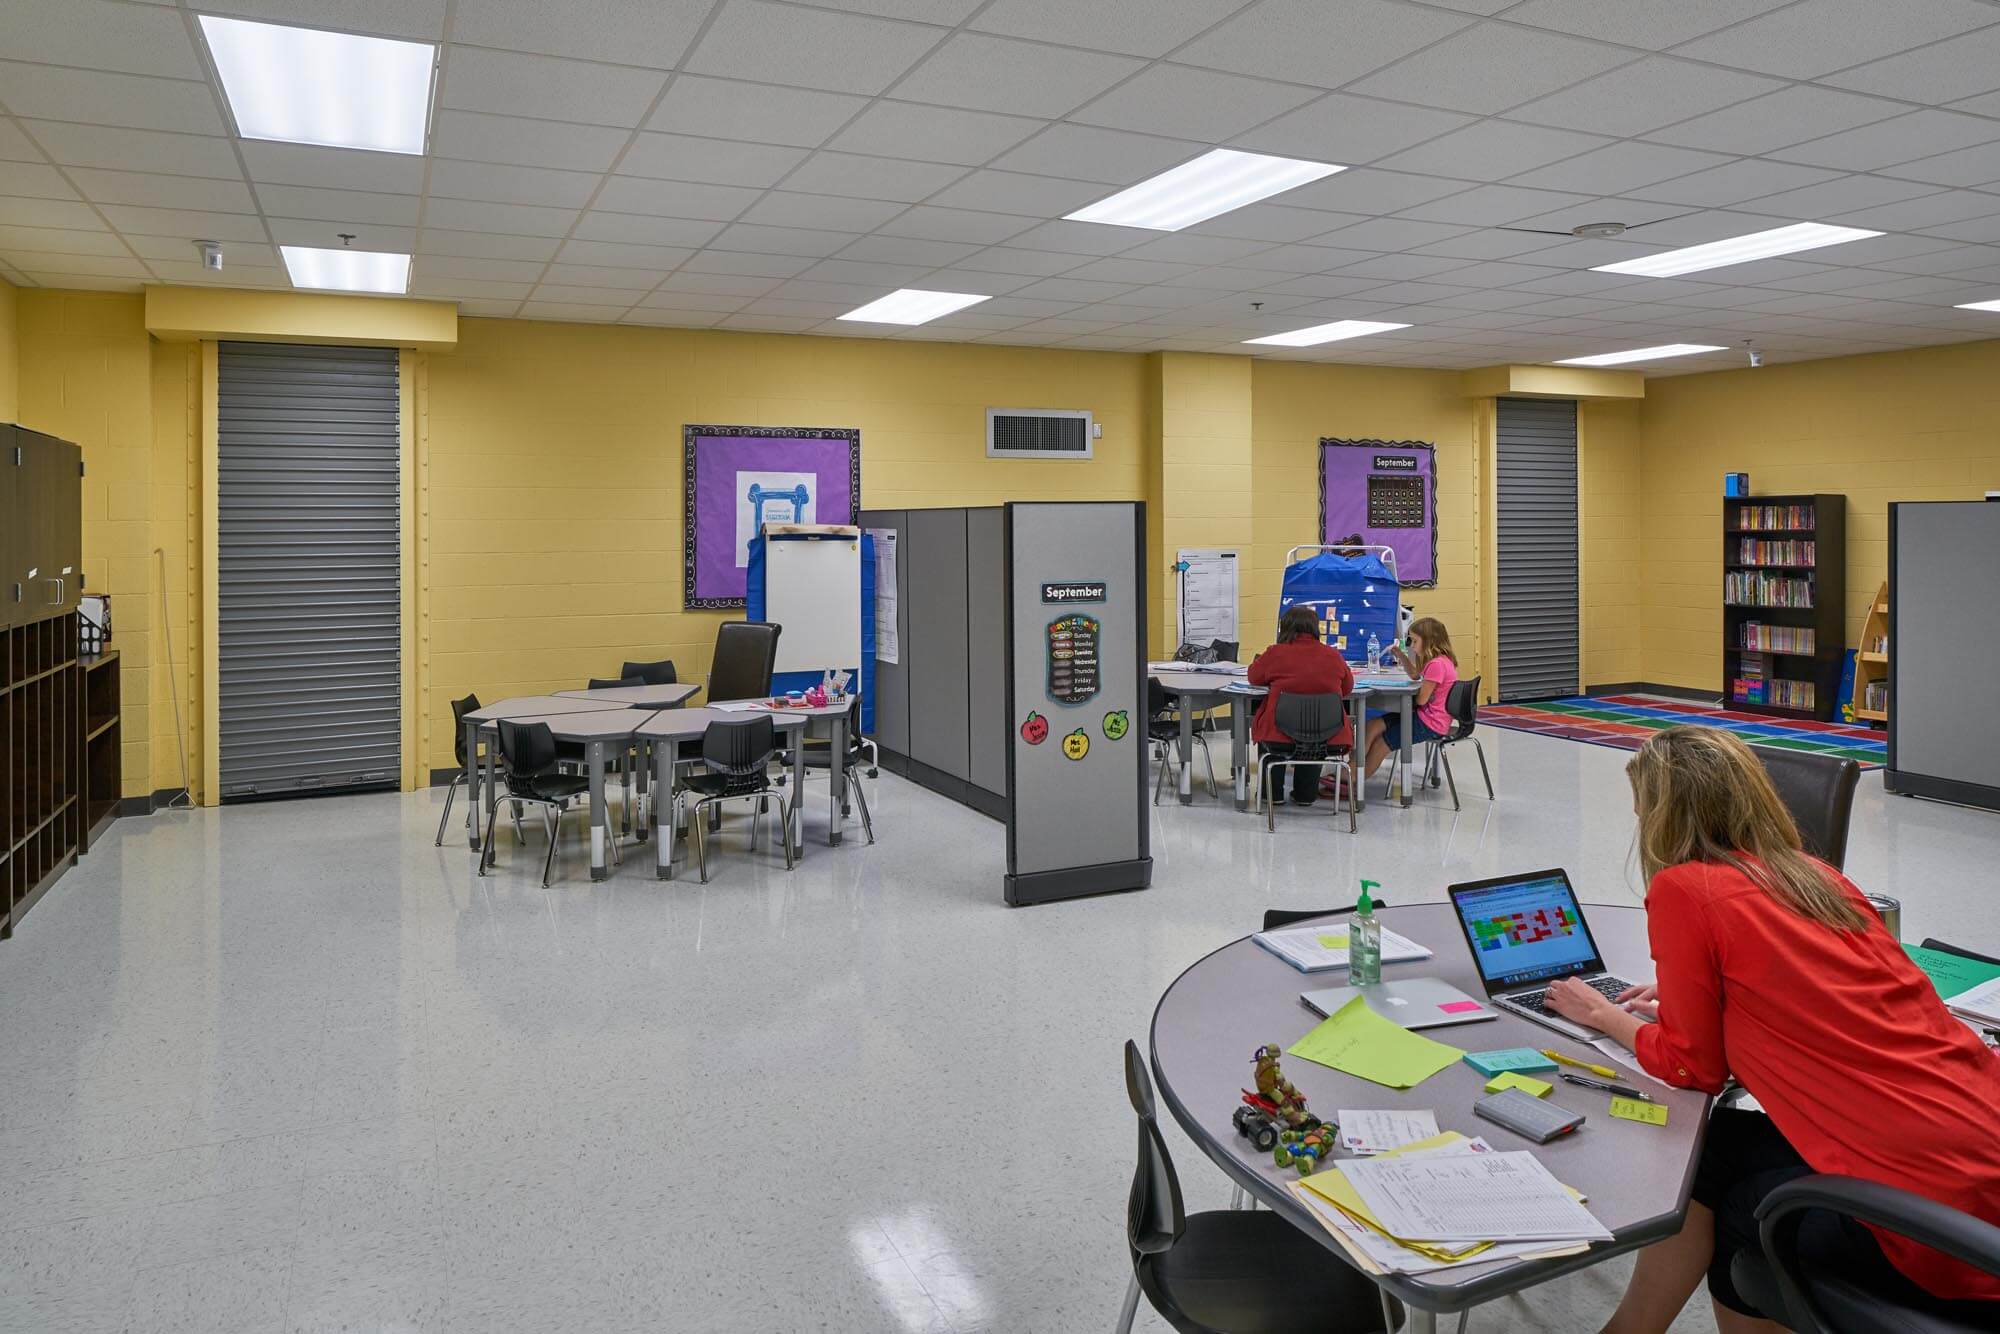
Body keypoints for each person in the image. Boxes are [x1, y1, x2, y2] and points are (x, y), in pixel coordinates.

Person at [1545, 726, 2000, 1333]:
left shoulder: (1684, 888)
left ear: (1660, 816)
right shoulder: (1819, 878)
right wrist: (1701, 1002)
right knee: (1716, 1147)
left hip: (1938, 1235)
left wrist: (1607, 1016)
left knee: (1743, 1215)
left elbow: (1693, 1068)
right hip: (1977, 1161)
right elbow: (1806, 993)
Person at [1246, 606, 1353, 806]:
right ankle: (1306, 795)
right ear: (1315, 628)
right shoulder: (1333, 655)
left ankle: (1271, 794)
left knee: (1271, 732)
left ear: (1285, 628)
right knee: (1314, 732)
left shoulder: (1276, 653)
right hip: (1329, 736)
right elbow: (1347, 688)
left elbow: (1253, 677)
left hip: (1279, 736)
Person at [1362, 616, 1457, 779]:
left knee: (1380, 744)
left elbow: (1421, 700)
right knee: (1372, 725)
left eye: (1415, 641)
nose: (1412, 646)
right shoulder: (1440, 661)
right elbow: (1414, 675)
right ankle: (1354, 766)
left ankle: (1355, 778)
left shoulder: (1437, 665)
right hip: (1426, 717)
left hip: (1430, 723)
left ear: (1429, 641)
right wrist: (1400, 654)